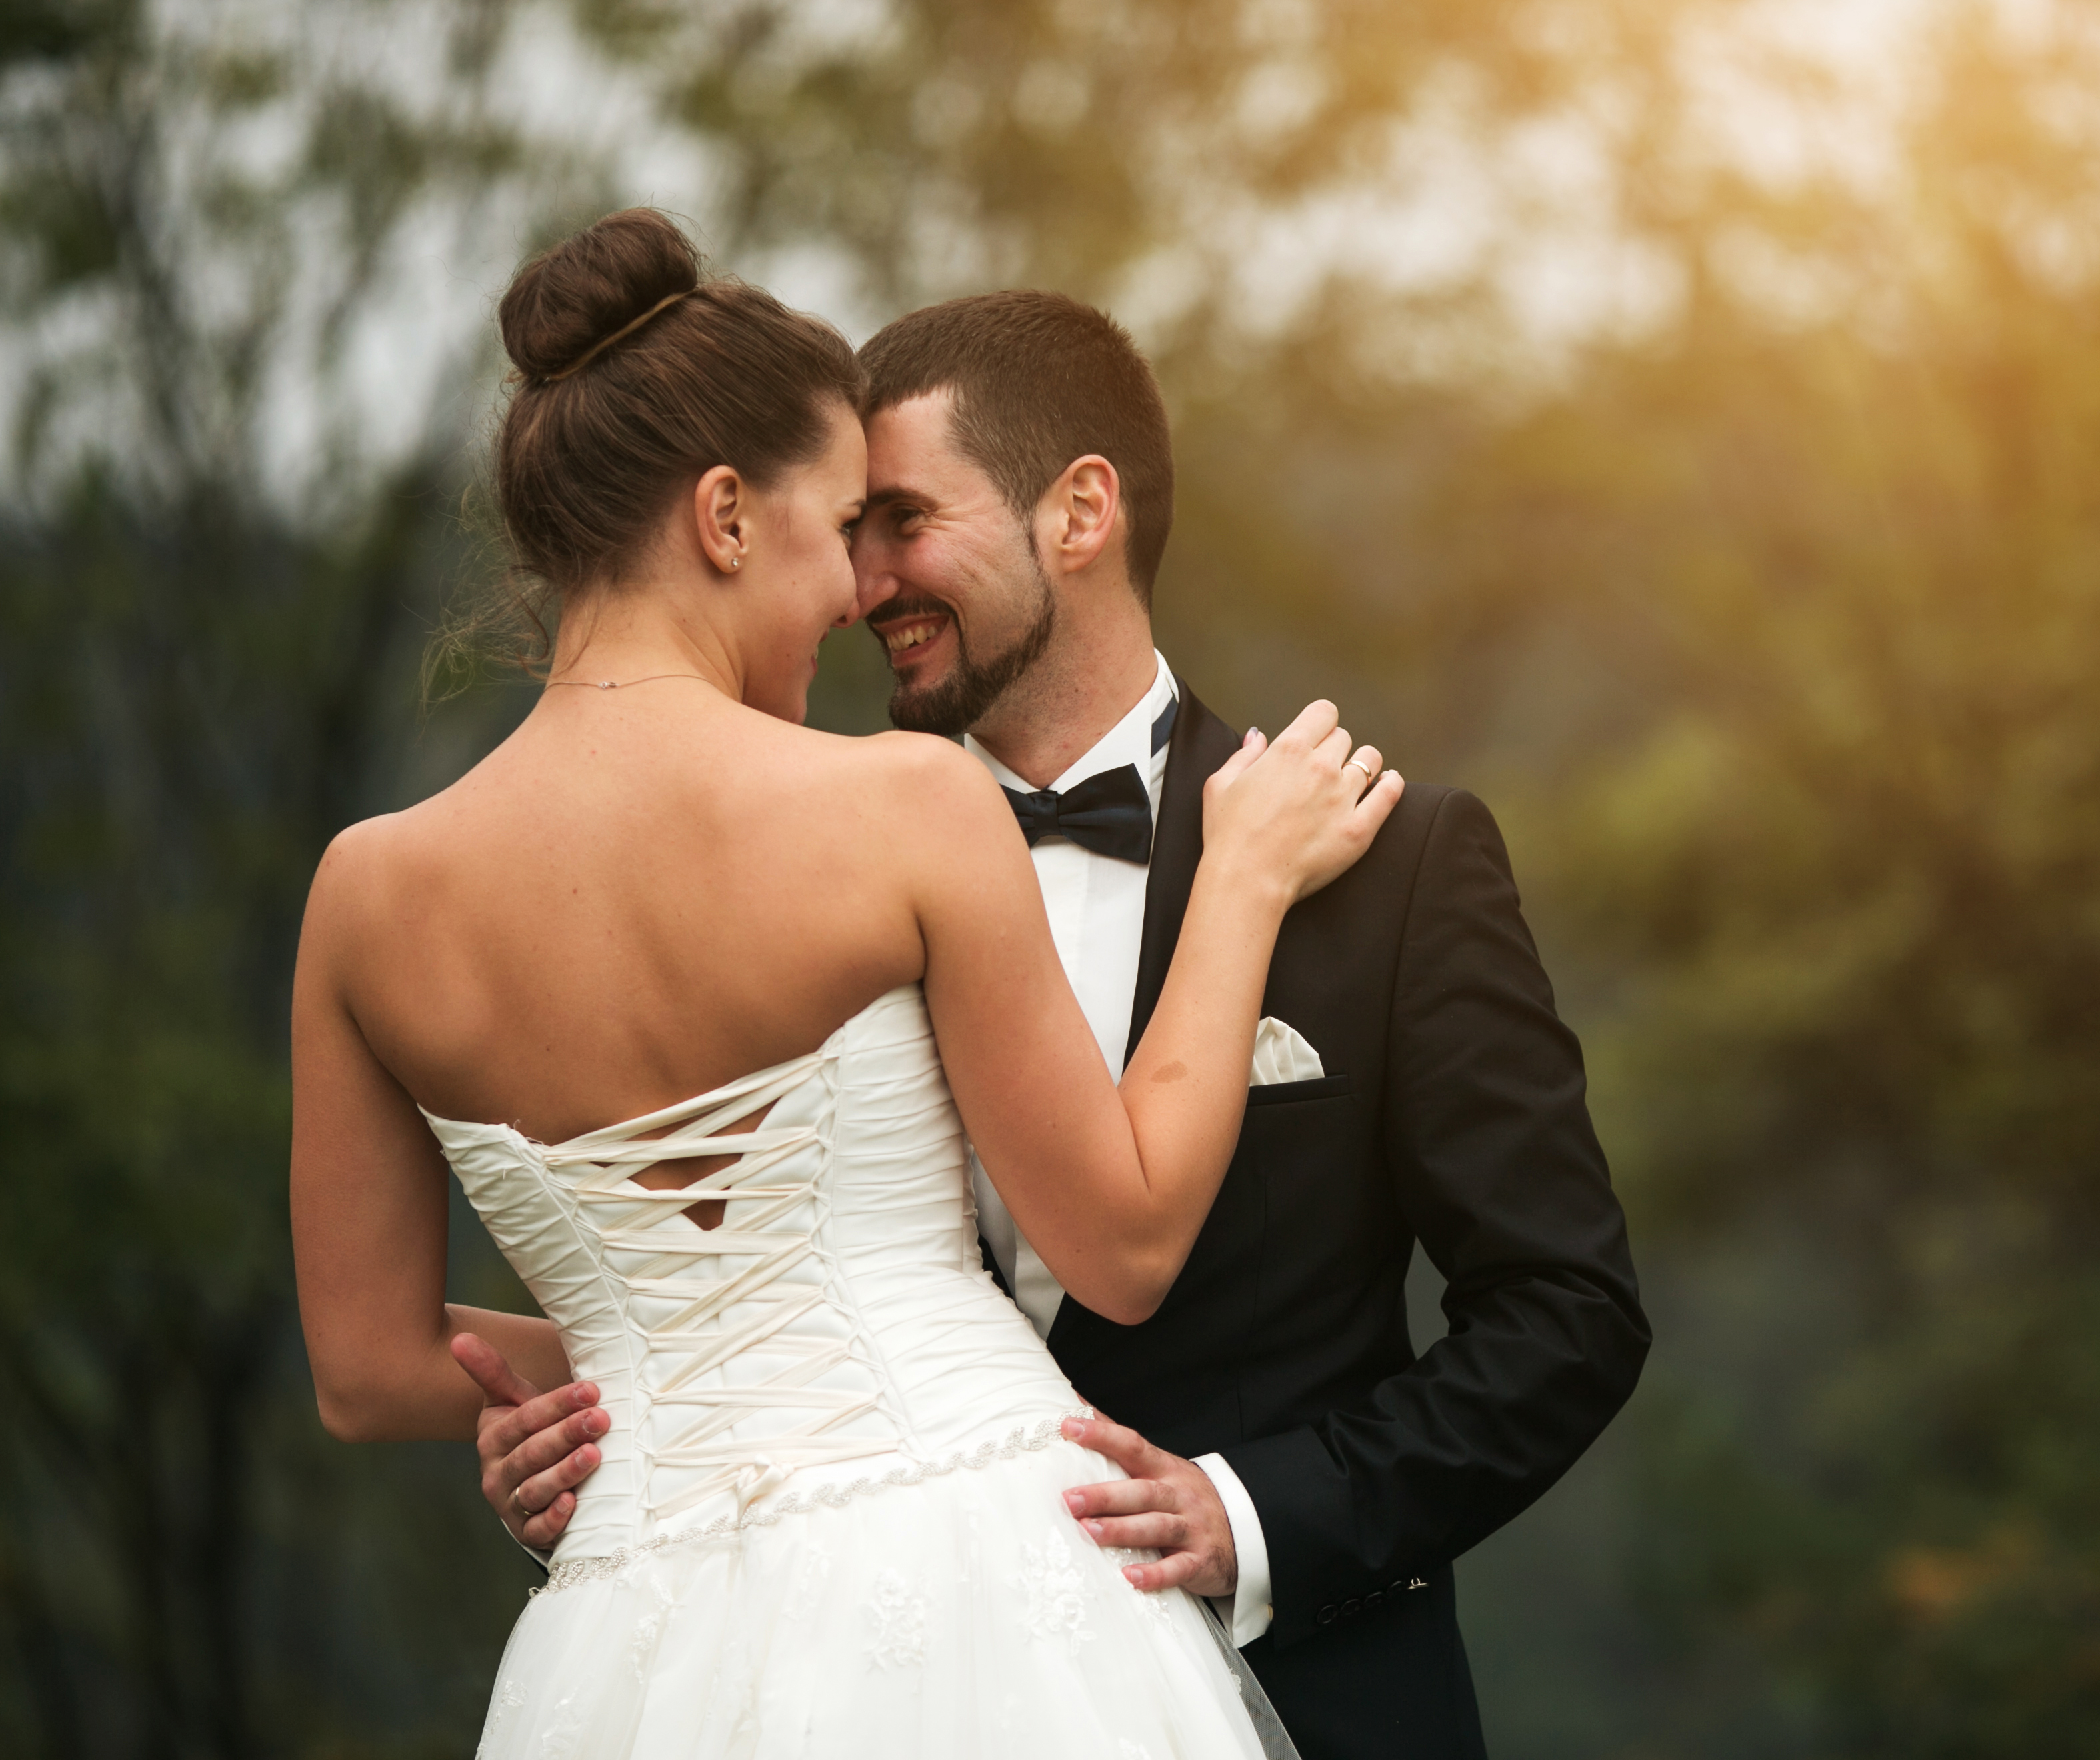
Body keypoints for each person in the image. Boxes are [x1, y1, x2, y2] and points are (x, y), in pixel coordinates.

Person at [463, 287, 1653, 1759]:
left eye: (902, 522)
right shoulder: (788, 879)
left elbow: (1565, 1317)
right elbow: (734, 1282)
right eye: (846, 531)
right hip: (877, 1700)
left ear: (1080, 512)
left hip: (1317, 1697)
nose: (860, 584)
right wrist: (614, 1438)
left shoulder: (1391, 866)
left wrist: (1257, 1515)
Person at [290, 208, 1406, 1759]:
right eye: (836, 528)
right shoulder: (898, 804)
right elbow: (1125, 1241)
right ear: (725, 518)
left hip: (632, 1630)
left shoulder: (366, 894)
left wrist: (637, 1371)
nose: (857, 593)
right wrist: (1241, 886)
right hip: (980, 1574)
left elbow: (365, 1373)